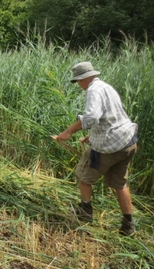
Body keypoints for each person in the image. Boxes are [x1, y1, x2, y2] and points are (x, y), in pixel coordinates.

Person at [56, 61, 138, 236]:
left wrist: (67, 132)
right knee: (120, 184)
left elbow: (92, 116)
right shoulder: (106, 87)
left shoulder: (93, 90)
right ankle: (128, 225)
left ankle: (85, 216)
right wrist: (92, 135)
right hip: (127, 141)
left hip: (110, 146)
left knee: (84, 176)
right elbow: (111, 116)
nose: (79, 85)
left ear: (84, 78)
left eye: (78, 81)